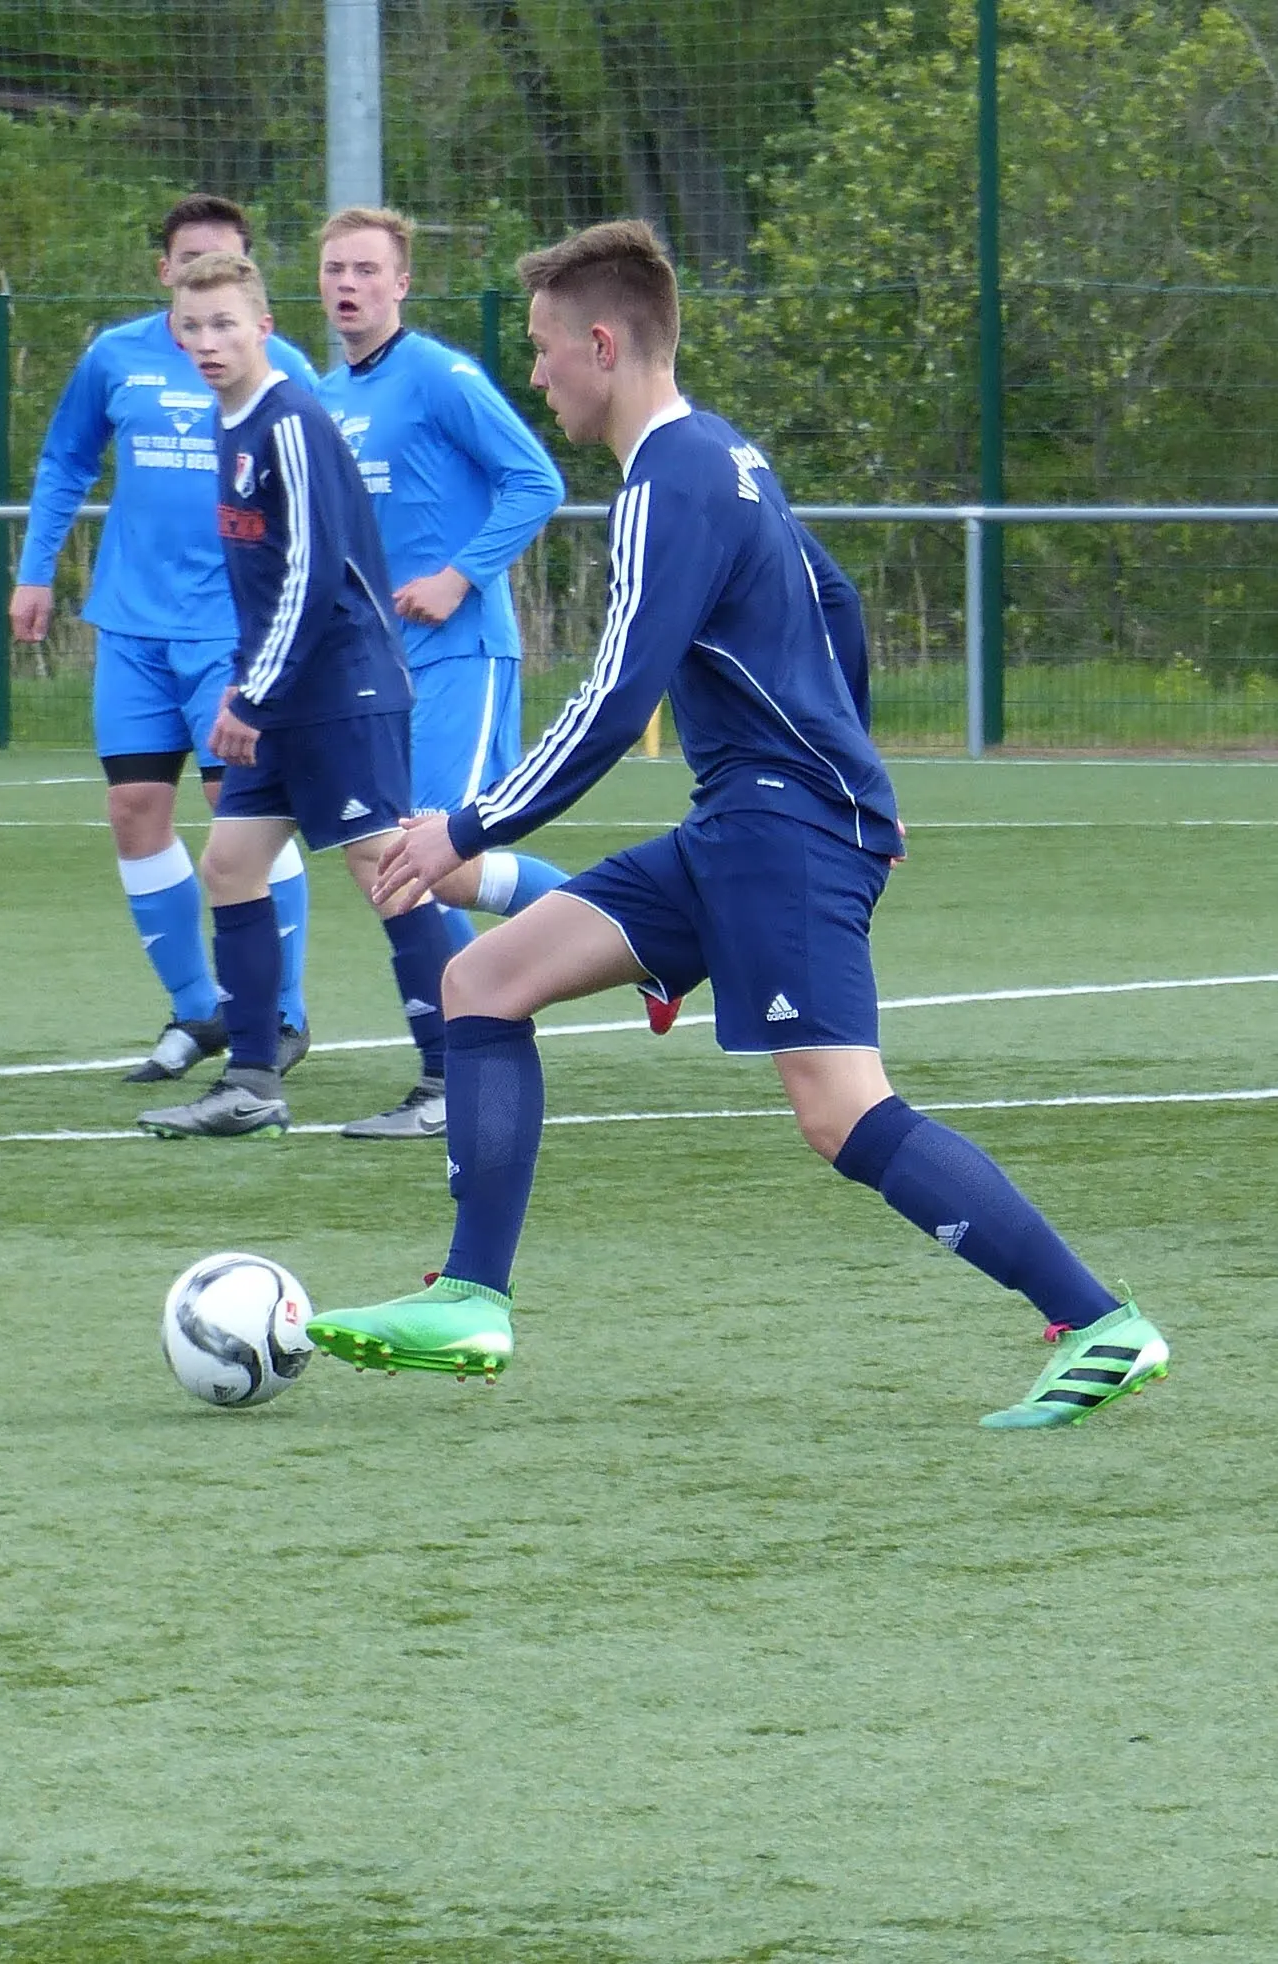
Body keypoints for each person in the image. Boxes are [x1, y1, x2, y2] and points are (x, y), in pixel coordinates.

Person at [306, 219, 1171, 1431]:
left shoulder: (666, 480)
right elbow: (836, 596)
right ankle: (470, 1297)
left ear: (602, 345)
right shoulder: (727, 454)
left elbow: (613, 698)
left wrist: (468, 822)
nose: (536, 375)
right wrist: (853, 766)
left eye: (545, 349)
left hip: (781, 834)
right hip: (749, 823)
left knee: (840, 1110)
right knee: (483, 984)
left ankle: (1096, 1321)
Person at [135, 252, 456, 1142]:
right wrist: (247, 684)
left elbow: (315, 575)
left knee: (386, 871)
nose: (208, 341)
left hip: (345, 687)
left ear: (263, 328)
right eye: (192, 327)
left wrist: (253, 694)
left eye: (225, 324)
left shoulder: (290, 422)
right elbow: (263, 582)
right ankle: (251, 1082)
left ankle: (454, 1078)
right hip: (282, 693)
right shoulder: (228, 420)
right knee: (230, 866)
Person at [11, 194, 315, 1086]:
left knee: (241, 817)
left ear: (251, 282)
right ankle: (196, 1008)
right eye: (188, 261)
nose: (203, 276)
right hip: (133, 629)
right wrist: (35, 570)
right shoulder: (116, 356)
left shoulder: (284, 369)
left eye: (225, 262)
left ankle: (281, 1010)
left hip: (231, 634)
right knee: (134, 810)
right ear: (164, 272)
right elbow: (65, 460)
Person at [315, 205, 573, 1137]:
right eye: (334, 269)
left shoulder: (439, 375)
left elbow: (537, 480)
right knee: (397, 863)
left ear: (401, 283)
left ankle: (459, 1068)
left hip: (459, 652)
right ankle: (630, 931)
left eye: (366, 270)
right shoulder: (324, 394)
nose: (348, 284)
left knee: (423, 857)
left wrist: (458, 576)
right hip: (372, 668)